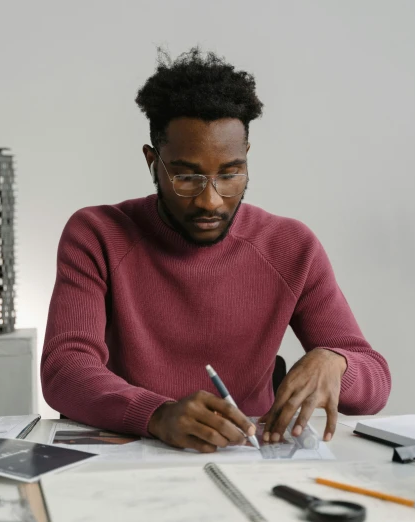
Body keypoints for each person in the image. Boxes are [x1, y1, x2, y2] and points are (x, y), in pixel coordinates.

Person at [42, 48, 391, 453]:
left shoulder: (290, 247)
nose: (211, 201)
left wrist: (336, 363)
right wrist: (157, 415)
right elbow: (65, 370)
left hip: (246, 457)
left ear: (246, 161)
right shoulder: (98, 235)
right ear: (153, 162)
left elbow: (376, 383)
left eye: (230, 174)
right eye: (187, 176)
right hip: (131, 453)